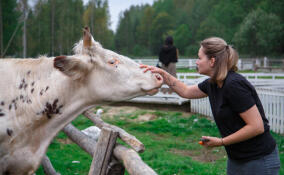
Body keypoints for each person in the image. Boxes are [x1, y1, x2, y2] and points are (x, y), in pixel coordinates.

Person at [140, 37, 280, 175]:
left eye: (199, 58)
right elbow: (186, 91)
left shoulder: (234, 85)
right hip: (237, 159)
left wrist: (221, 141)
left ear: (212, 61)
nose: (196, 61)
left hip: (259, 160)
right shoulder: (212, 84)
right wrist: (163, 74)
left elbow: (257, 126)